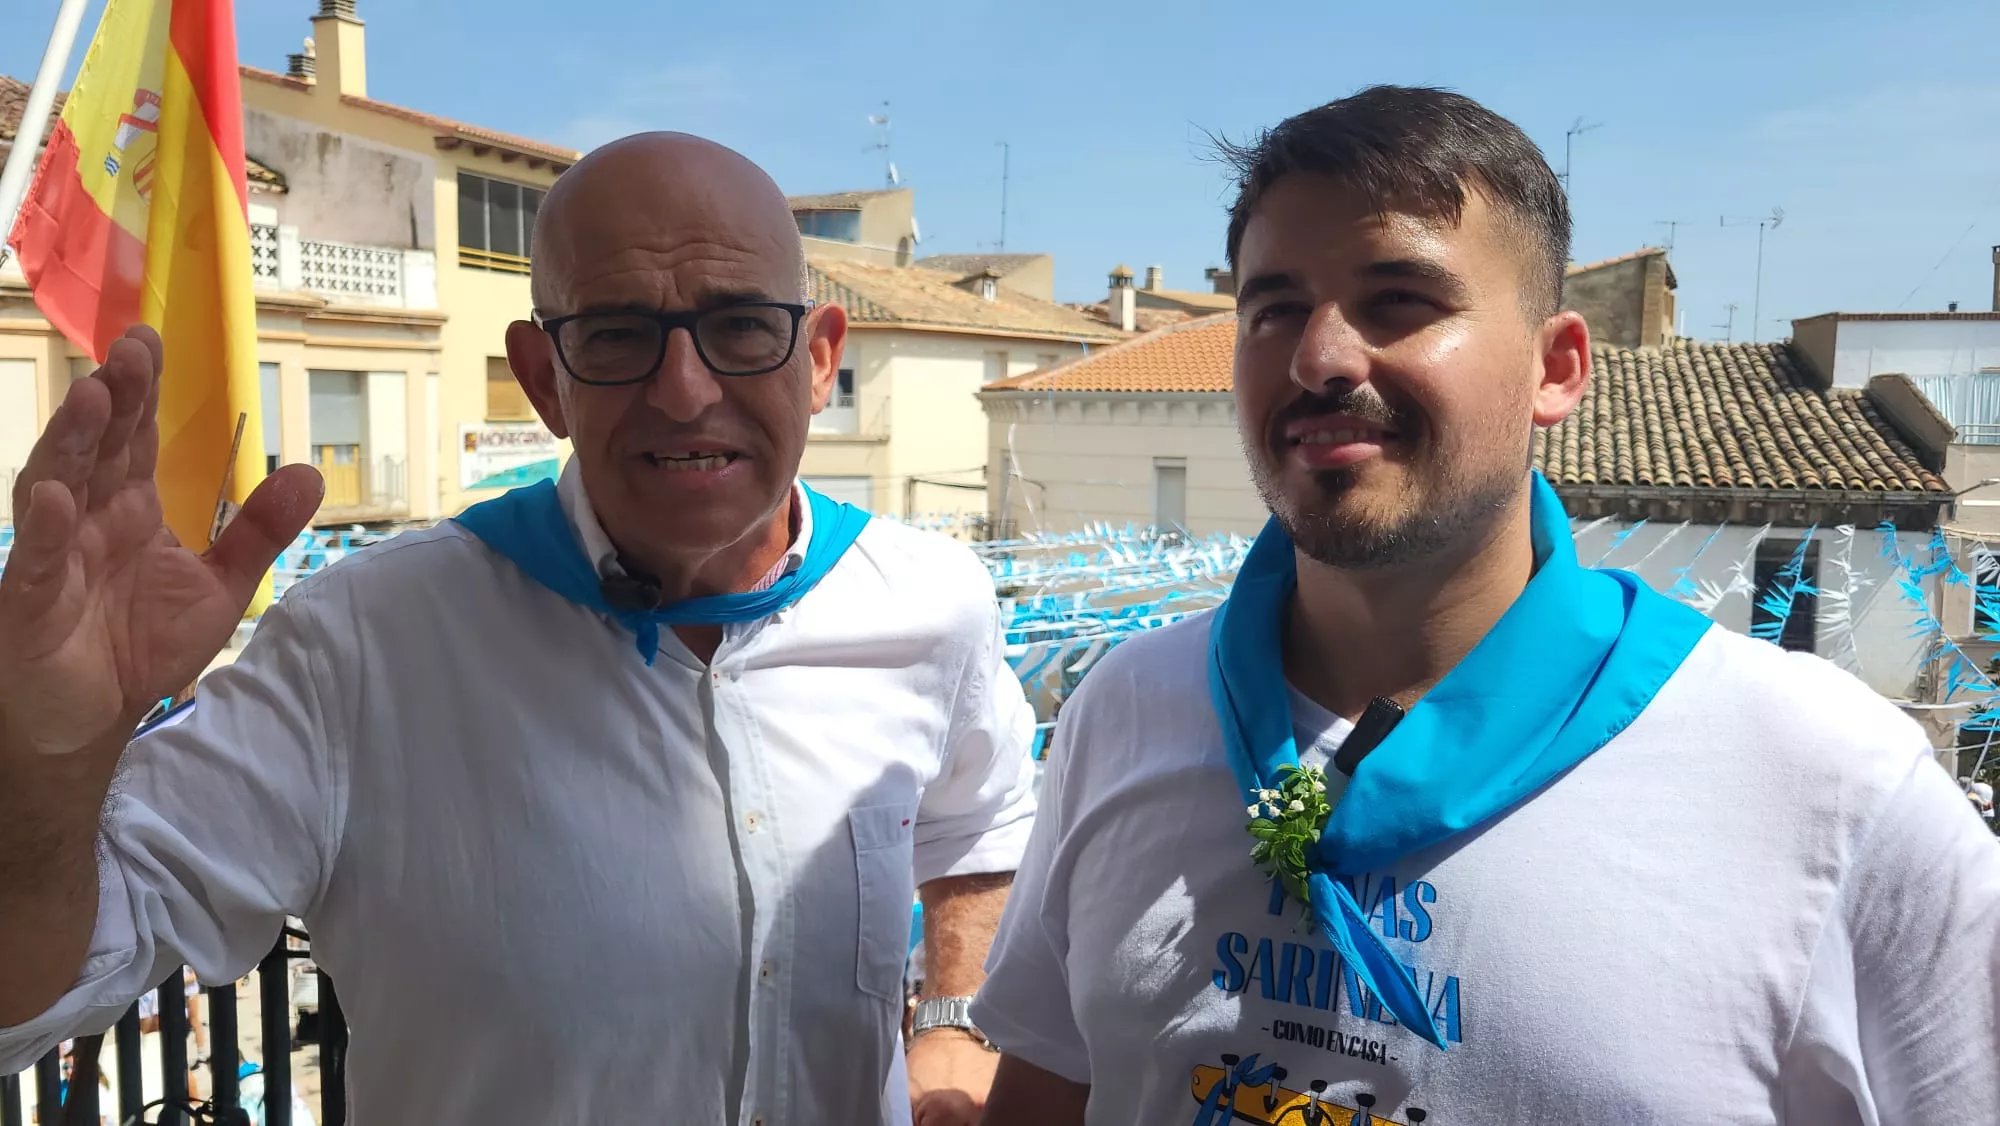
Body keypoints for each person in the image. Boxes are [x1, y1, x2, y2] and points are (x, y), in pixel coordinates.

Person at [973, 86, 2000, 1125]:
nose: (1318, 356)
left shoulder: (1829, 786)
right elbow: (1049, 1083)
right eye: (1272, 305)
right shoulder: (1127, 707)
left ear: (1555, 367)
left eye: (1399, 300)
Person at [0, 133, 1031, 1125]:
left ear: (817, 360)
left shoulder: (926, 599)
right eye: (619, 334)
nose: (684, 391)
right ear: (544, 379)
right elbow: (36, 993)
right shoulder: (365, 645)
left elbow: (980, 821)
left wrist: (951, 1018)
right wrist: (46, 756)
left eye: (741, 325)